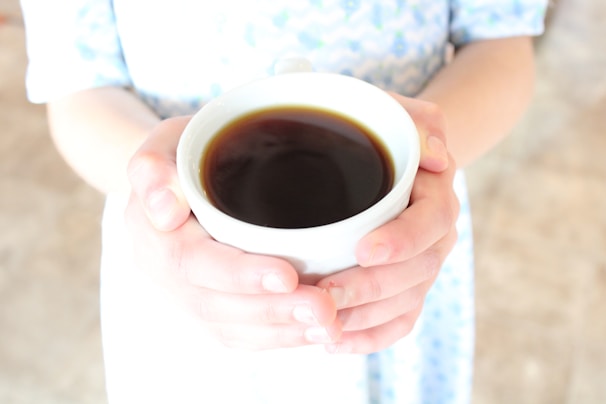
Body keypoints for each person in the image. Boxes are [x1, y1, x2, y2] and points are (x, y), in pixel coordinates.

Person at [20, 1, 547, 403]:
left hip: (401, 262)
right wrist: (157, 190)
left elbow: (500, 45)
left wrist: (429, 156)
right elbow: (79, 88)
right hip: (184, 277)